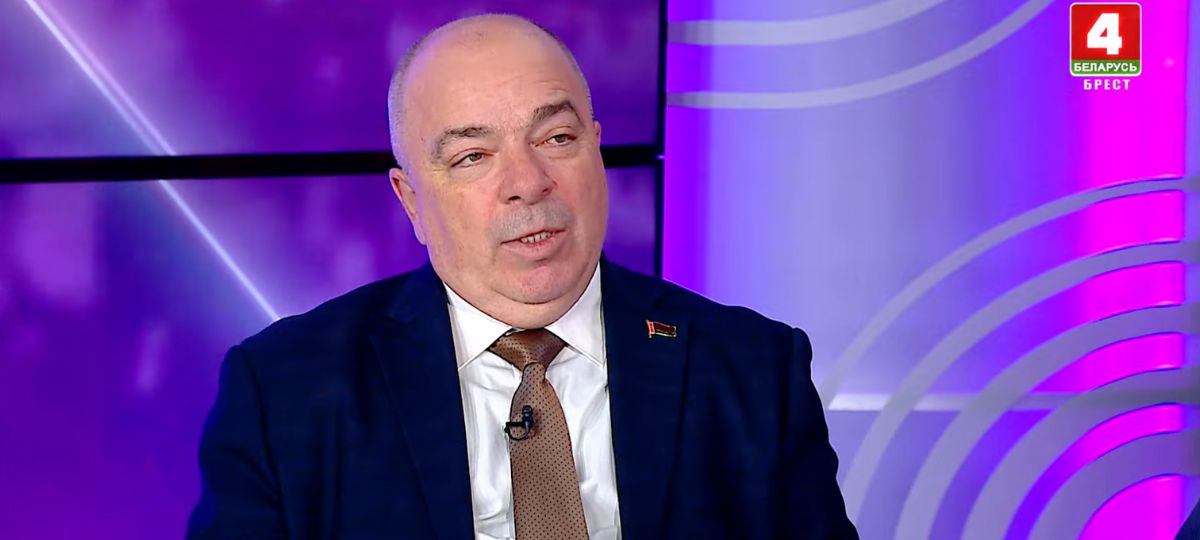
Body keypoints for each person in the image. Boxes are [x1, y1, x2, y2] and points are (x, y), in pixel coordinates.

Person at [186, 14, 857, 540]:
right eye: (473, 156)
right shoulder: (287, 391)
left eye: (556, 139)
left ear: (596, 150)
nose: (528, 182)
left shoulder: (751, 370)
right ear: (411, 201)